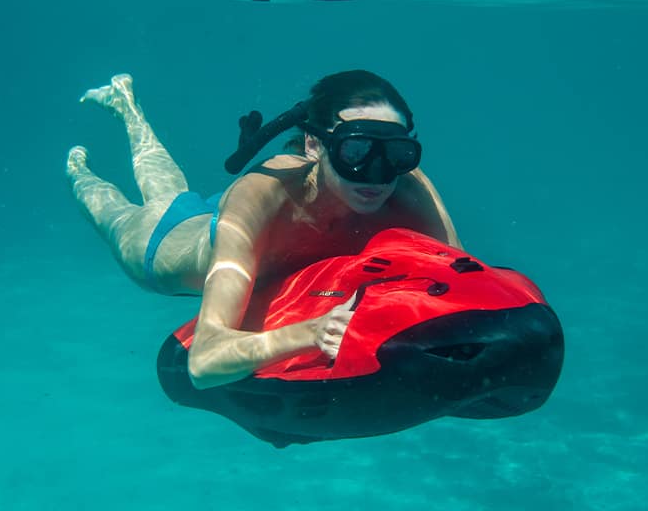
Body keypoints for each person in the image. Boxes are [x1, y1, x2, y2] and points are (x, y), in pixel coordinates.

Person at [67, 71, 460, 389]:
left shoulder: (404, 183)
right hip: (165, 245)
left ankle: (125, 101)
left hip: (241, 227)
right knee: (117, 212)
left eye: (395, 154)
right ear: (313, 144)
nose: (376, 173)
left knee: (172, 192)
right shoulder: (261, 194)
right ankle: (79, 168)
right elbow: (204, 362)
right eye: (355, 151)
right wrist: (310, 333)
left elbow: (459, 275)